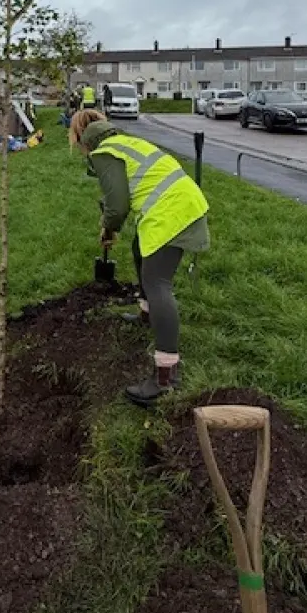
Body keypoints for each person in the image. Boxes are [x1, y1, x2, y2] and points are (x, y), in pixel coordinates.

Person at [68, 109, 210, 407]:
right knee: (139, 249)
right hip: (184, 200)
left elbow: (118, 206)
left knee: (158, 282)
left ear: (82, 139)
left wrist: (108, 228)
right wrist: (111, 218)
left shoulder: (103, 153)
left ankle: (165, 376)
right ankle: (147, 316)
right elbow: (123, 194)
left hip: (171, 212)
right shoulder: (125, 142)